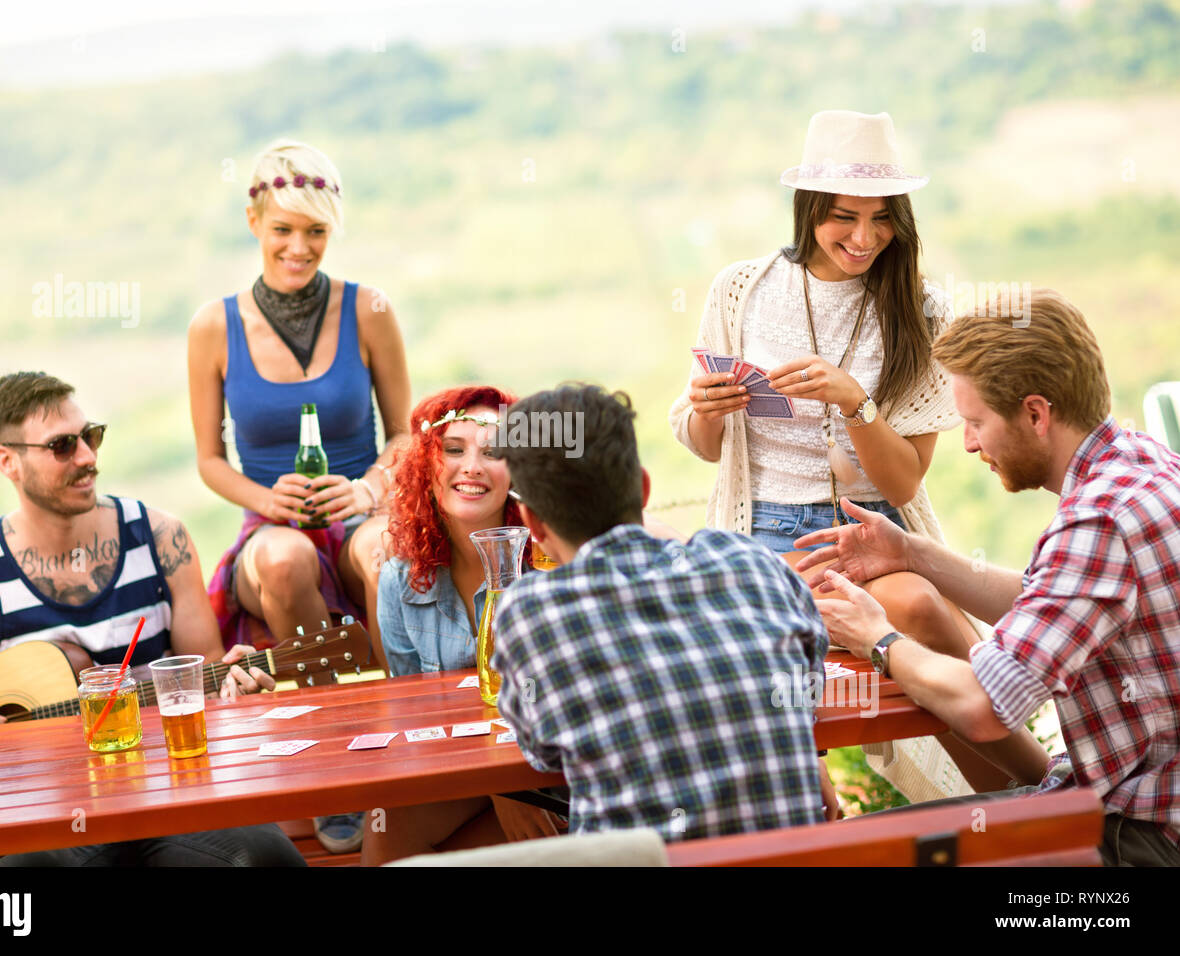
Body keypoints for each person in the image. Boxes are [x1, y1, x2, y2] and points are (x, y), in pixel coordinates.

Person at [667, 109, 1048, 792]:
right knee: (896, 616)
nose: (865, 237)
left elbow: (903, 486)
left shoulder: (921, 309)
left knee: (922, 608)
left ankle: (1038, 790)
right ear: (808, 209)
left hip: (872, 528)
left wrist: (855, 403)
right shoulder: (741, 289)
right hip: (766, 535)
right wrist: (707, 410)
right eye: (844, 216)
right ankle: (1042, 796)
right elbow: (704, 448)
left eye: (882, 218)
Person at [799, 288, 1180, 866]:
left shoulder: (1097, 521)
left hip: (1139, 840)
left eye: (975, 422)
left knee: (851, 857)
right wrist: (911, 553)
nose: (970, 442)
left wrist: (877, 637)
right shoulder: (1142, 462)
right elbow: (1045, 602)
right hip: (1132, 810)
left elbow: (983, 706)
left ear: (1035, 413)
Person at [0, 371, 303, 865]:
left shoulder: (160, 538)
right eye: (62, 446)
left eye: (91, 436)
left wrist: (231, 684)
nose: (87, 458)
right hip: (39, 813)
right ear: (7, 462)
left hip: (163, 795)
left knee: (270, 858)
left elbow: (205, 672)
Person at [475, 383, 835, 843]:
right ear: (643, 489)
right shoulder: (754, 563)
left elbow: (542, 751)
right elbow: (806, 688)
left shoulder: (530, 614)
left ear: (532, 523)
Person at [187, 140, 410, 853]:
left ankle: (407, 746)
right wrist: (267, 498)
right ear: (253, 220)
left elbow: (407, 433)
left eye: (315, 230)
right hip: (271, 522)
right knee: (283, 563)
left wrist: (370, 486)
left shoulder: (369, 310)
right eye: (284, 227)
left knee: (385, 556)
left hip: (359, 509)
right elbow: (209, 460)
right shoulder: (212, 326)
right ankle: (337, 765)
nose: (299, 245)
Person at [361, 386, 573, 864]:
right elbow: (417, 712)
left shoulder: (551, 562)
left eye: (494, 452)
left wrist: (512, 785)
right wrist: (498, 788)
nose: (471, 466)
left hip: (553, 770)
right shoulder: (399, 577)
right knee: (388, 822)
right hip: (465, 770)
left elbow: (566, 704)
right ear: (426, 468)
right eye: (453, 450)